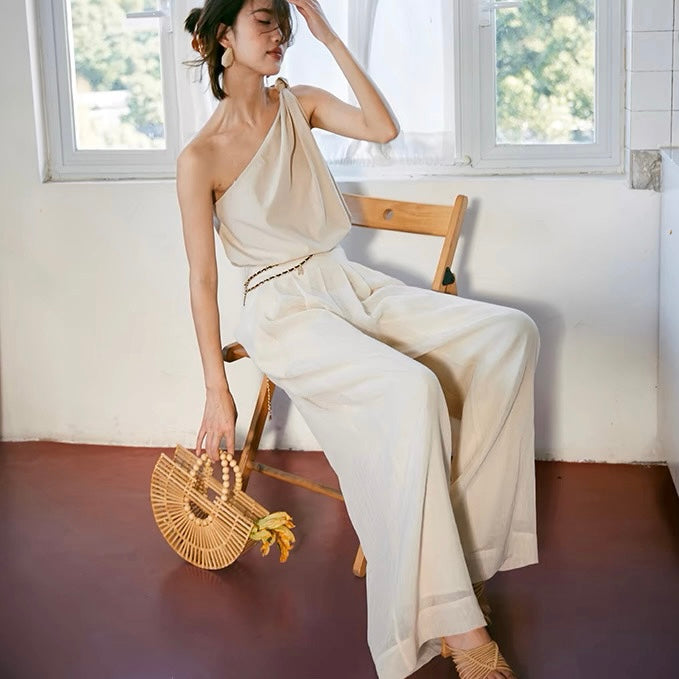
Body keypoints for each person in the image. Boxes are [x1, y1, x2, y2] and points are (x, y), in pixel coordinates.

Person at [175, 2, 540, 678]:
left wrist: (329, 35)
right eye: (264, 20)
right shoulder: (199, 158)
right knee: (412, 389)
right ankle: (461, 628)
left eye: (283, 23)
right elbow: (201, 279)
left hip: (345, 282)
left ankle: (460, 562)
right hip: (282, 309)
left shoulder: (300, 104)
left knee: (511, 335)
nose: (279, 34)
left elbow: (381, 127)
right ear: (224, 36)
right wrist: (215, 390)